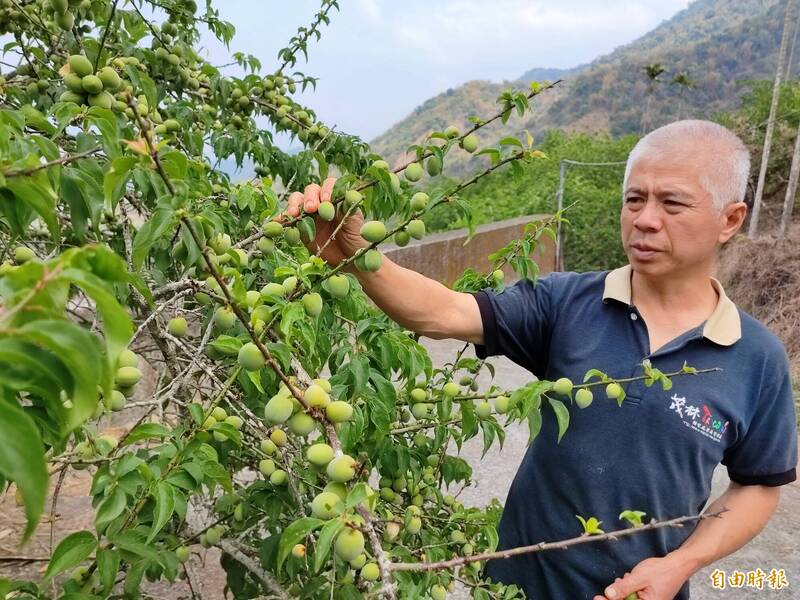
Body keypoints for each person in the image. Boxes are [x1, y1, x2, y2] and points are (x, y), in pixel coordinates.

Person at [279, 119, 798, 599]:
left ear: (729, 220)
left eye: (672, 203)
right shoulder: (566, 303)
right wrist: (355, 256)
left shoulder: (756, 358)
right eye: (634, 199)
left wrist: (681, 563)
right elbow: (441, 312)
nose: (644, 220)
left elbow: (756, 485)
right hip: (515, 586)